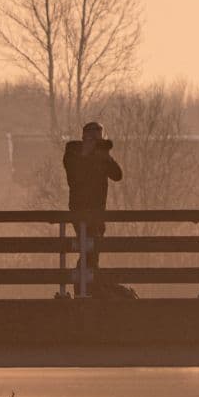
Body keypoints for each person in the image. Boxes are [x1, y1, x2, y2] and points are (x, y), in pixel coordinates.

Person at [63, 120, 122, 289]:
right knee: (89, 247)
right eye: (92, 138)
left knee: (93, 249)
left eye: (99, 138)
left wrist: (106, 156)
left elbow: (117, 175)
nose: (96, 142)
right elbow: (75, 178)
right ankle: (84, 287)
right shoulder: (73, 152)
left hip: (98, 211)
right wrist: (86, 154)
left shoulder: (101, 156)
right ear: (84, 138)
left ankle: (88, 286)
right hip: (80, 209)